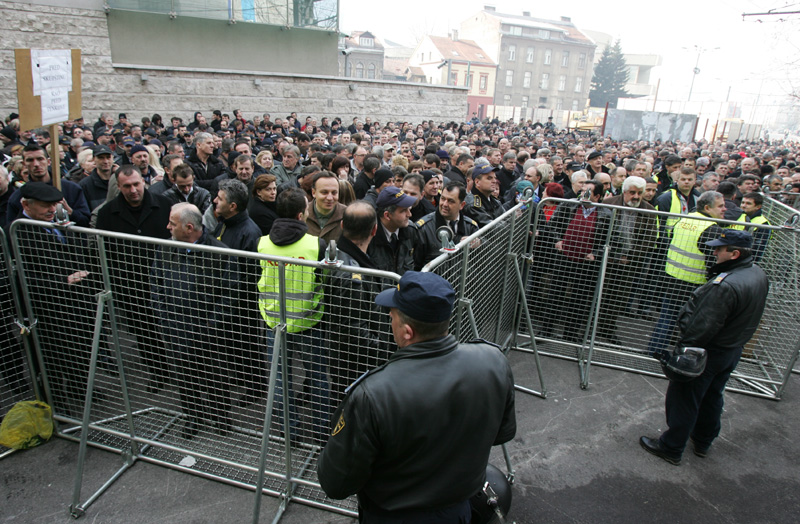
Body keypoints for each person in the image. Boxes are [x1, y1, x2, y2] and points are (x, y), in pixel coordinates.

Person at [318, 271, 516, 522]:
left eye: (393, 317)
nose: (390, 321)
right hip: (458, 511)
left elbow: (335, 482)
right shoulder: (493, 361)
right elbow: (502, 433)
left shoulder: (374, 394)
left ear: (407, 332)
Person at [640, 230, 769, 465]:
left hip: (709, 351)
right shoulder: (757, 273)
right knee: (712, 396)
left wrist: (685, 350)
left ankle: (671, 446)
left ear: (735, 254)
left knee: (685, 399)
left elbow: (701, 326)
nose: (714, 252)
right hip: (731, 350)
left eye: (720, 249)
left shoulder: (725, 285)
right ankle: (703, 440)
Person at [151, 202, 233, 438]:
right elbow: (155, 284)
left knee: (215, 376)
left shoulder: (220, 253)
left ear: (189, 227)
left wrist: (212, 324)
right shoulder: (166, 249)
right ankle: (193, 416)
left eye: (172, 223)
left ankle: (221, 418)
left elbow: (229, 293)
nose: (167, 227)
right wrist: (163, 317)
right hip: (176, 329)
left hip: (207, 332)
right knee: (185, 377)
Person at [257, 187, 330, 442]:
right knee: (319, 379)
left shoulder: (263, 242)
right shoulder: (315, 244)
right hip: (308, 322)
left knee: (279, 381)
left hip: (274, 322)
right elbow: (325, 279)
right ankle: (322, 433)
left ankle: (291, 433)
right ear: (302, 214)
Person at [647, 191, 726, 360]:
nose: (724, 209)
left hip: (672, 276)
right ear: (707, 207)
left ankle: (654, 350)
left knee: (666, 318)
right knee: (690, 324)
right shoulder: (711, 229)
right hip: (693, 283)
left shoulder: (685, 219)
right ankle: (682, 358)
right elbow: (713, 261)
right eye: (720, 206)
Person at [325, 202, 386, 408]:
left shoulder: (350, 259)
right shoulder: (351, 274)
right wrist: (382, 350)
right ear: (375, 230)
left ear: (342, 225)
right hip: (354, 363)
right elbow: (353, 327)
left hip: (352, 358)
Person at [367, 186, 417, 275]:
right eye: (403, 210)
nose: (410, 214)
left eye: (409, 209)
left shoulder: (410, 230)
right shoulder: (369, 237)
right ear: (387, 215)